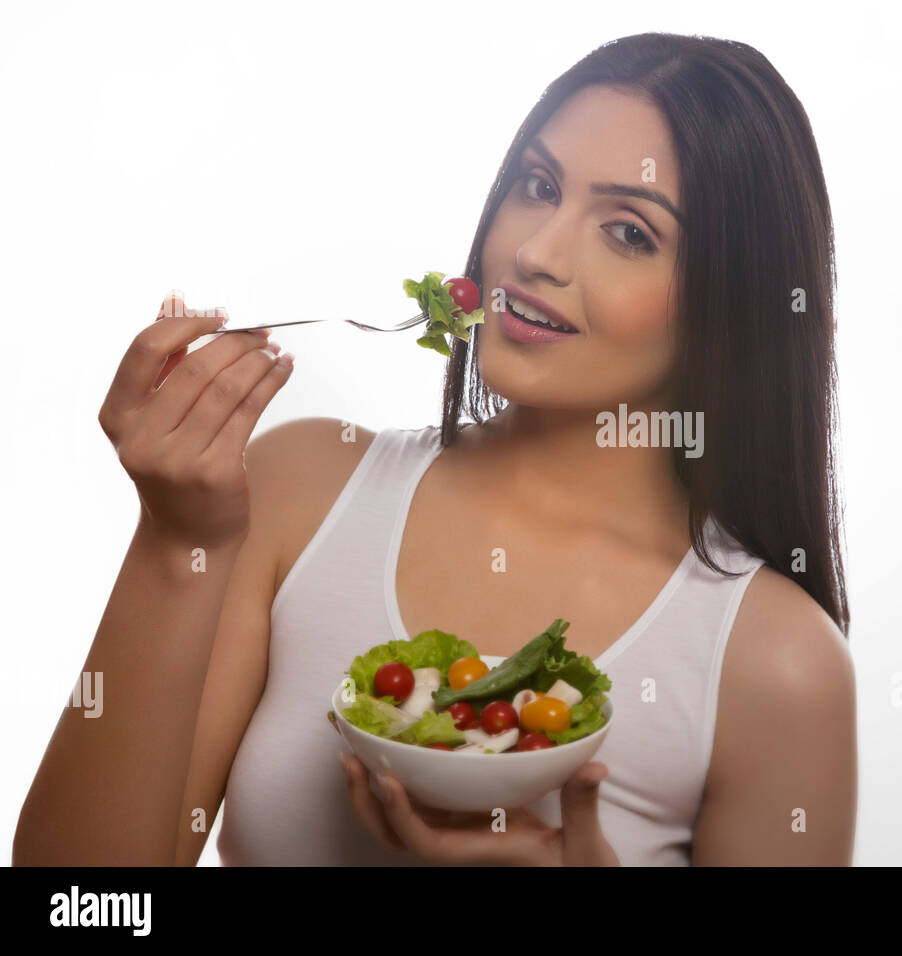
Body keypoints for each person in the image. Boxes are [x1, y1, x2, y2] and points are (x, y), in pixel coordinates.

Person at [13, 32, 855, 867]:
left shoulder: (779, 660)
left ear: (730, 311)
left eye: (629, 233)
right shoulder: (297, 489)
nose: (534, 253)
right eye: (538, 185)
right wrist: (176, 543)